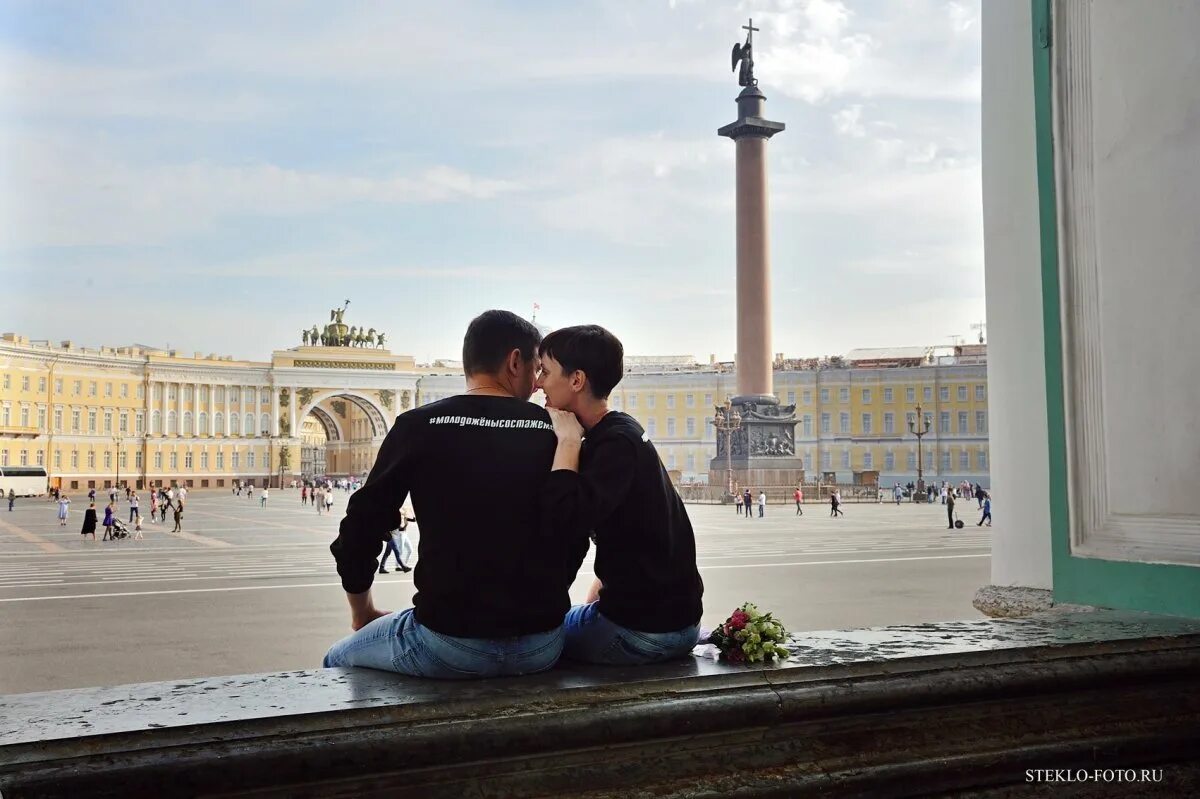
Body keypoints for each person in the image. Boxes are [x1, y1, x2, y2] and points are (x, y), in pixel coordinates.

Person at [324, 309, 568, 679]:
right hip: (543, 644)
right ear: (515, 362)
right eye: (537, 368)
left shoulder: (419, 425)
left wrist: (363, 612)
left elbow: (361, 526)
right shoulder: (559, 432)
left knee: (335, 661)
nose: (537, 384)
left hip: (448, 643)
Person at [539, 324, 702, 666]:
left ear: (576, 380)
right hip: (672, 623)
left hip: (641, 633)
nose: (539, 382)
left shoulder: (613, 445)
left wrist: (567, 443)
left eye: (545, 370)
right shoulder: (622, 432)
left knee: (529, 642)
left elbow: (564, 523)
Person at [378, 509, 414, 574]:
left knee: (387, 553)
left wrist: (405, 523)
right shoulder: (392, 520)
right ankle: (403, 567)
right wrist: (405, 525)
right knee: (397, 552)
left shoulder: (390, 519)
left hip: (390, 537)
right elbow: (400, 528)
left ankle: (381, 567)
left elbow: (400, 528)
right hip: (392, 538)